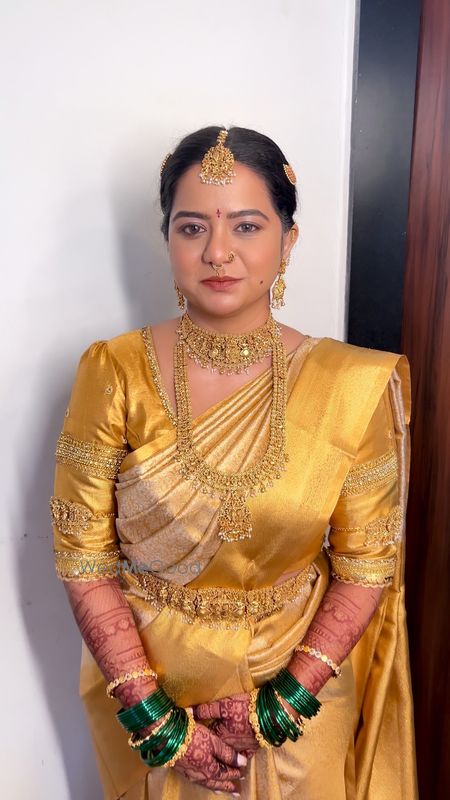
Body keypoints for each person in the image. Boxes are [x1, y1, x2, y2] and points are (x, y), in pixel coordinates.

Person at [50, 126, 418, 799]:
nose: (218, 251)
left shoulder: (347, 386)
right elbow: (82, 555)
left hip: (305, 696)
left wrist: (285, 704)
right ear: (167, 239)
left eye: (247, 226)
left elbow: (367, 563)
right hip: (153, 687)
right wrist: (156, 720)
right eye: (192, 227)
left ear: (289, 241)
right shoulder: (114, 371)